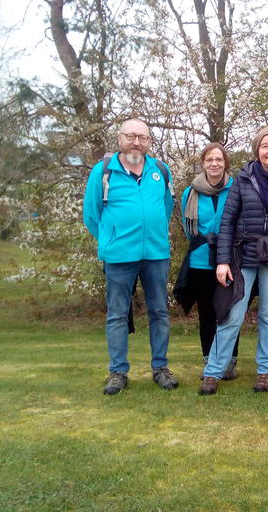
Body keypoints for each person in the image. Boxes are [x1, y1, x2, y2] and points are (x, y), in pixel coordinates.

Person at [199, 126, 268, 395]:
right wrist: (222, 261)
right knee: (233, 315)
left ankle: (266, 371)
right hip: (243, 254)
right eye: (265, 146)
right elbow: (228, 222)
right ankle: (213, 371)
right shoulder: (242, 179)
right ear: (257, 149)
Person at [83, 118, 178, 395]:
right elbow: (91, 215)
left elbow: (166, 205)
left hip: (156, 255)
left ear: (149, 142)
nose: (137, 142)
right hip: (119, 257)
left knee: (159, 312)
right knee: (117, 315)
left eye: (143, 137)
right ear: (120, 138)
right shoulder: (103, 172)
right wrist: (111, 240)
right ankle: (117, 372)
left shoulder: (160, 169)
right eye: (131, 136)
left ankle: (160, 368)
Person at [179, 143, 241, 388]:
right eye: (209, 160)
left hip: (230, 260)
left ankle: (229, 361)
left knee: (228, 311)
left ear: (225, 163)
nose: (214, 164)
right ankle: (208, 359)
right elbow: (188, 228)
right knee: (206, 313)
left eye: (219, 159)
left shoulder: (236, 188)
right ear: (203, 163)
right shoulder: (190, 192)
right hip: (200, 260)